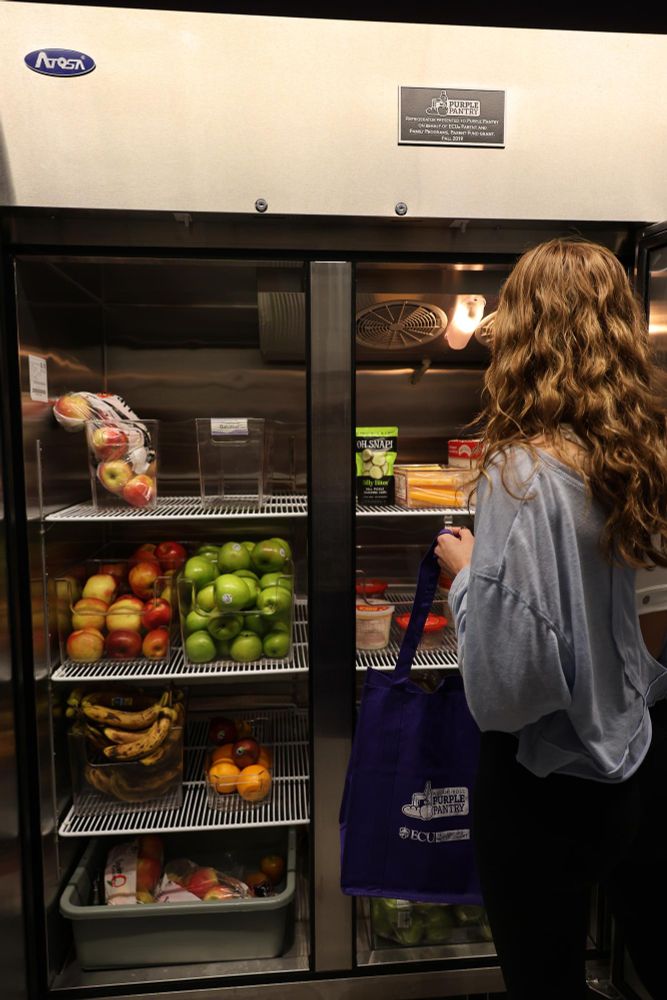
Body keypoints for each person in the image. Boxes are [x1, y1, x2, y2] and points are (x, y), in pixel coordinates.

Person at [435, 238, 667, 1000]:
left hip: (544, 784)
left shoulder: (522, 473)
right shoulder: (645, 457)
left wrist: (467, 578)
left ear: (524, 335)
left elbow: (508, 692)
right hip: (635, 762)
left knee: (544, 983)